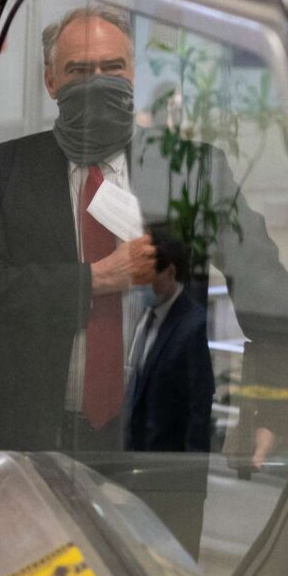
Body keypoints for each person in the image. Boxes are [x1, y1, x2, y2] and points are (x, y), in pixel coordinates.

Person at [0, 4, 288, 467]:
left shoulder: (192, 169)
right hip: (30, 429)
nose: (97, 80)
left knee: (156, 544)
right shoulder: (4, 170)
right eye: (79, 69)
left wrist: (272, 404)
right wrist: (95, 278)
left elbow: (262, 278)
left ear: (132, 73)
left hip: (163, 434)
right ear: (50, 80)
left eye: (112, 67)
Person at [122, 228, 216, 557]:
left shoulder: (192, 326)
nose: (139, 286)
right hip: (139, 475)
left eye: (146, 276)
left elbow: (198, 411)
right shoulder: (144, 319)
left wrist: (189, 489)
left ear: (170, 272)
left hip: (172, 483)